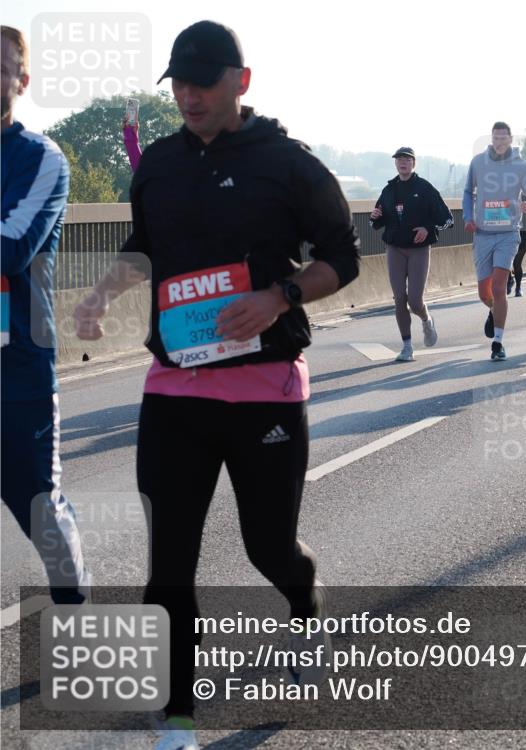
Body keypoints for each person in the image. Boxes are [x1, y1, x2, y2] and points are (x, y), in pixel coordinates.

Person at [72, 21, 361, 750]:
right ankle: (177, 719)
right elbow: (143, 246)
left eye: (204, 80)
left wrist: (279, 299)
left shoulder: (288, 164)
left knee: (270, 547)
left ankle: (304, 603)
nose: (190, 94)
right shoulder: (159, 164)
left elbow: (343, 258)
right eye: (180, 82)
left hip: (265, 388)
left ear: (242, 80)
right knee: (169, 557)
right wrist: (101, 293)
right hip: (174, 390)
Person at [1, 25, 92, 608]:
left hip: (18, 364)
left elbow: (10, 247)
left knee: (36, 500)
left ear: (21, 81)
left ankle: (73, 602)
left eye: (0, 66)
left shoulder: (41, 157)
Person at [462, 122, 526, 361]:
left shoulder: (520, 165)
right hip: (483, 234)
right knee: (484, 294)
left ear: (510, 139)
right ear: (492, 139)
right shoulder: (478, 163)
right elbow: (467, 192)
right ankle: (495, 312)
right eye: (496, 138)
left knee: (498, 287)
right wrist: (468, 217)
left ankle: (498, 343)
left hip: (508, 234)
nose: (499, 142)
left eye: (503, 139)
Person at [370, 147, 452, 361]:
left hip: (419, 250)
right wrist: (375, 216)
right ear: (395, 164)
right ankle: (407, 347)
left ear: (414, 163)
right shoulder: (389, 190)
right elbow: (376, 222)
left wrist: (427, 228)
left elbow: (446, 218)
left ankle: (426, 320)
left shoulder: (424, 188)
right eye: (399, 160)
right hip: (395, 248)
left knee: (415, 301)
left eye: (407, 159)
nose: (402, 163)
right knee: (399, 298)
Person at [508, 197, 526, 297]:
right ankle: (509, 280)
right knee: (506, 262)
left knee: (517, 263)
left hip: (523, 236)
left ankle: (518, 288)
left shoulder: (525, 200)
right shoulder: (506, 198)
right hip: (509, 235)